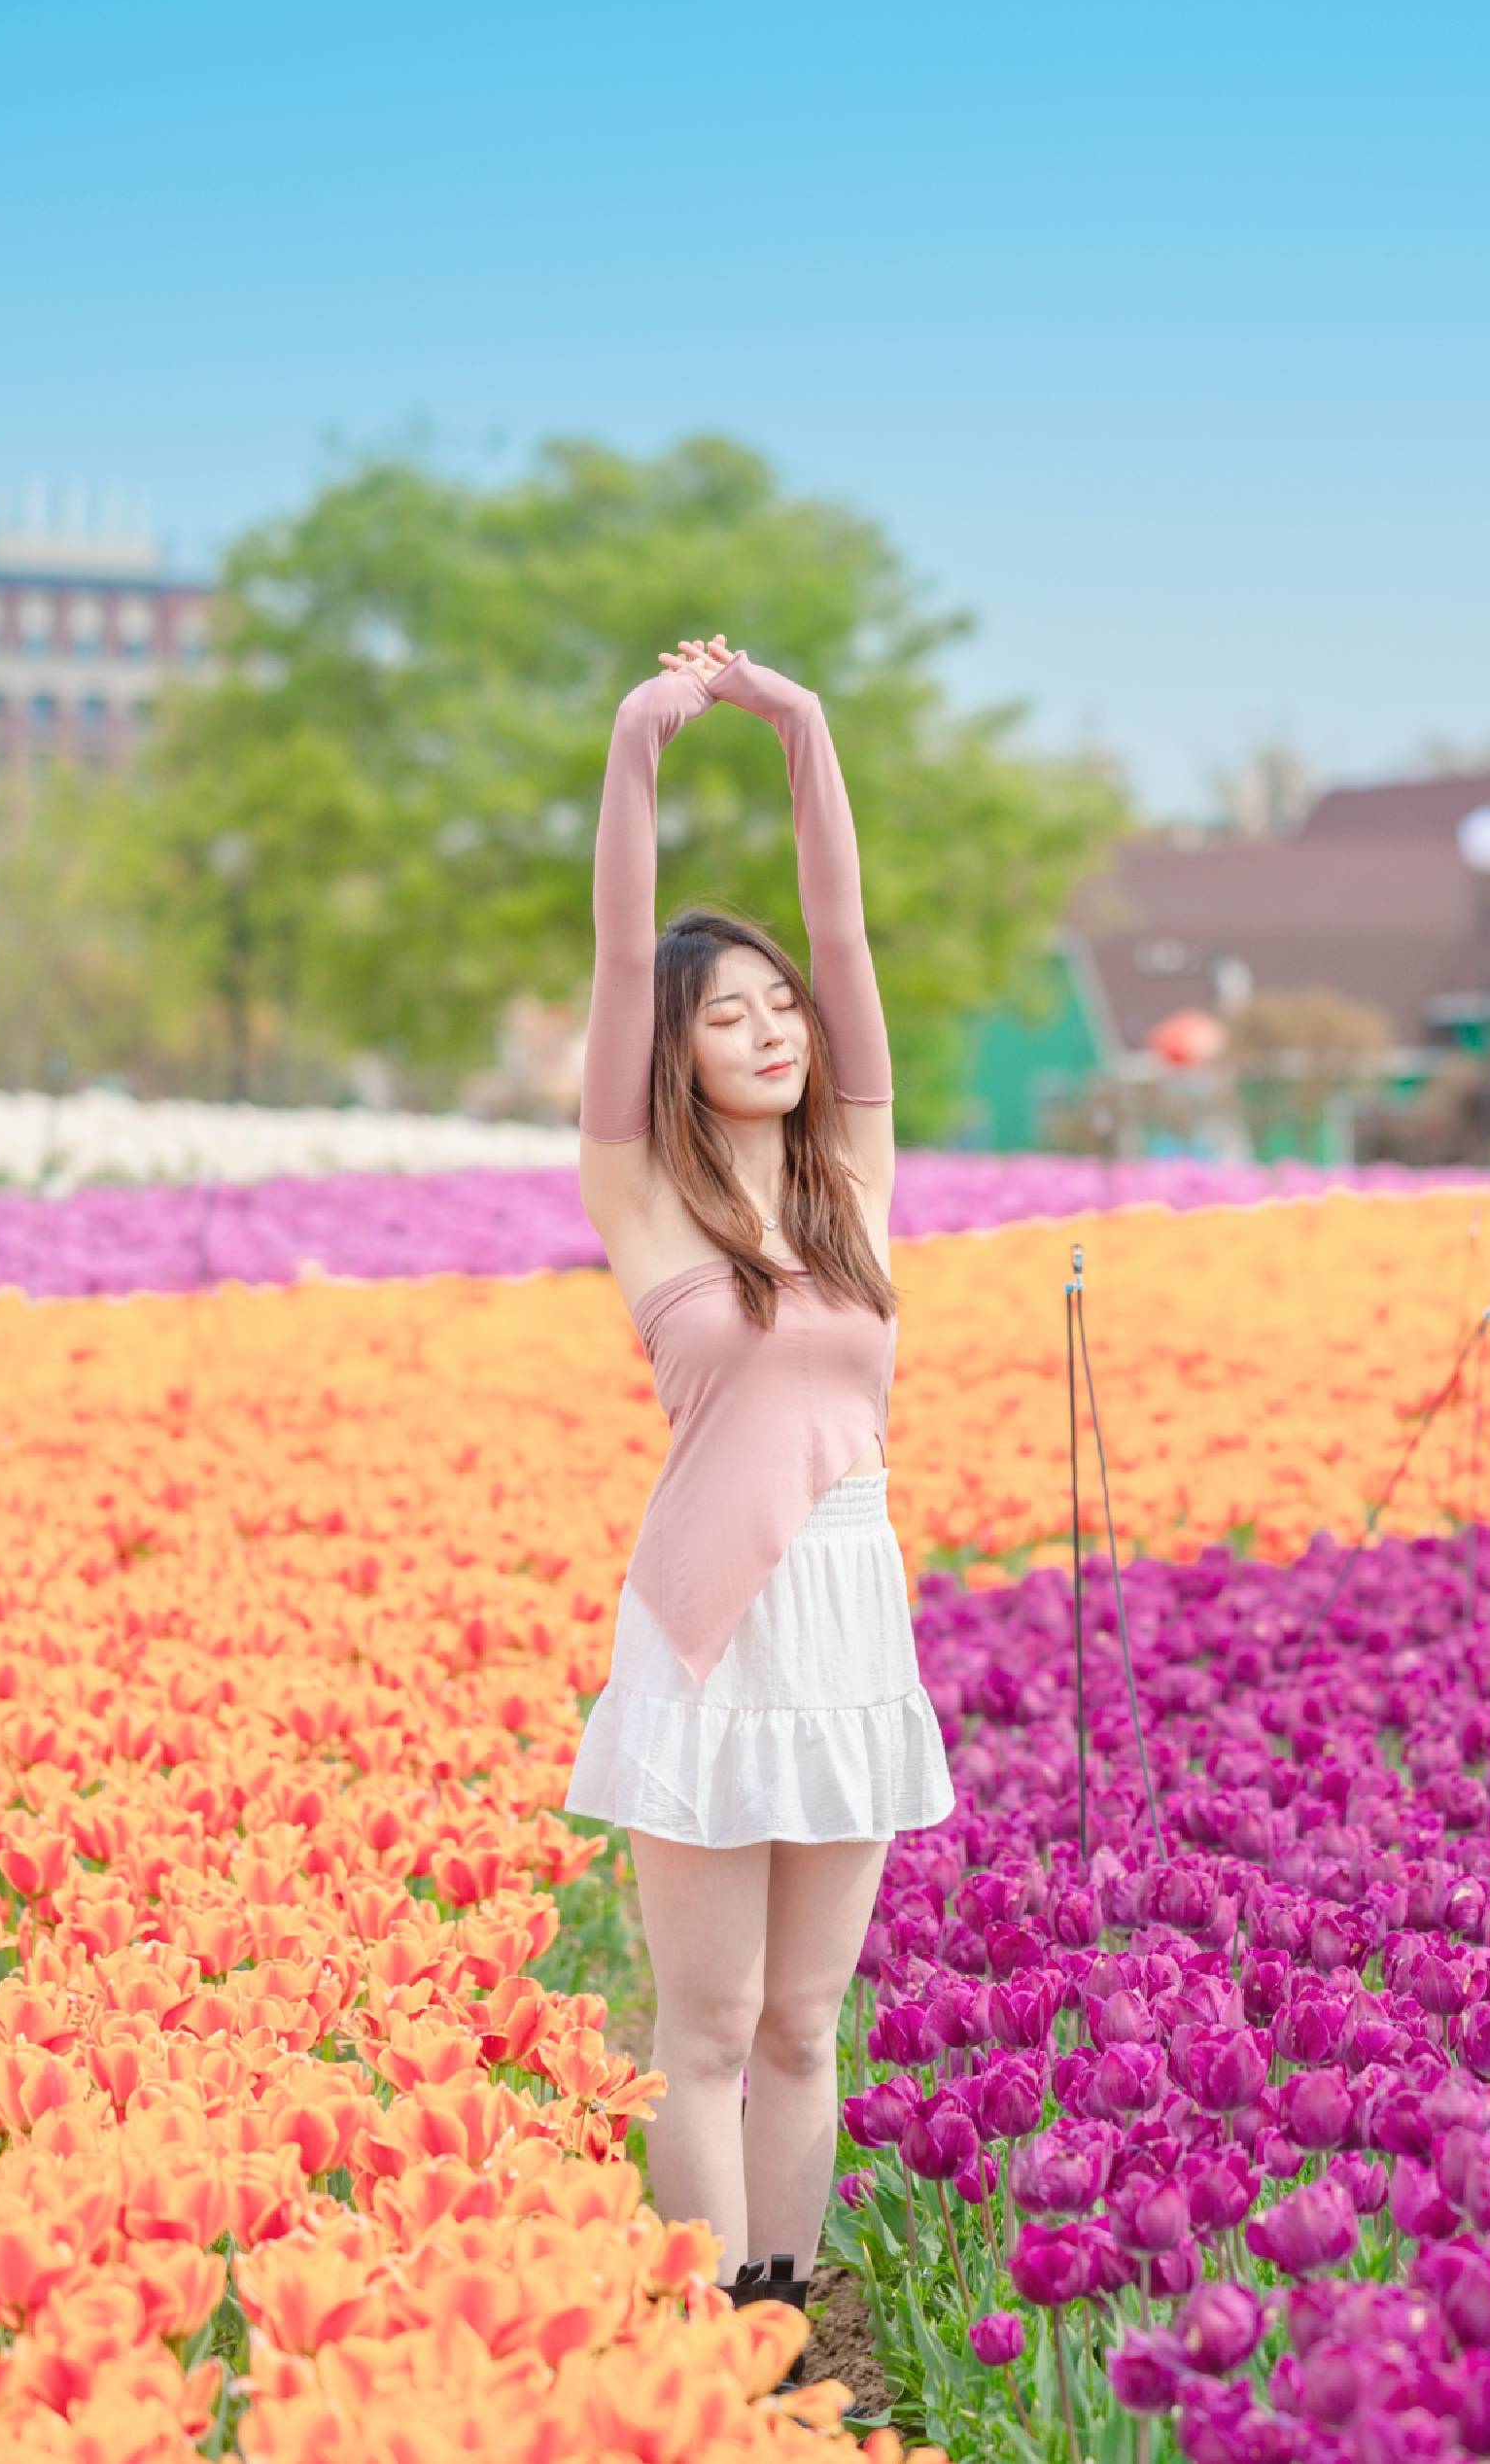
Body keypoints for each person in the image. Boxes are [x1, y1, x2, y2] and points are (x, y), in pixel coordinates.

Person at [560, 634, 955, 2334]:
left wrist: (801, 727)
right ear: (676, 1047)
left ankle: (794, 2332)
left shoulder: (853, 1177)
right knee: (705, 2029)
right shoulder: (639, 1191)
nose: (772, 1024)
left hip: (852, 1603)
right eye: (727, 1010)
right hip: (713, 1624)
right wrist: (639, 748)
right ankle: (707, 2352)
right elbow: (608, 949)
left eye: (779, 1000)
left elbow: (850, 930)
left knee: (808, 2024)